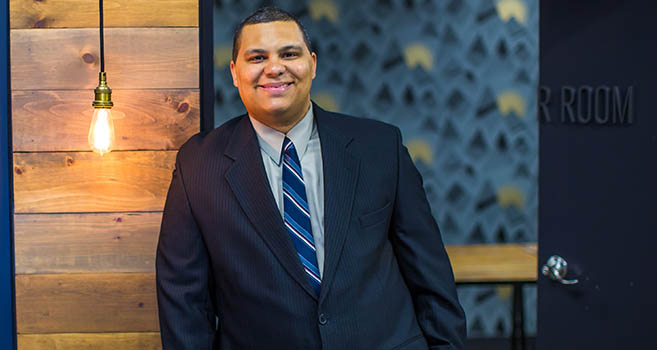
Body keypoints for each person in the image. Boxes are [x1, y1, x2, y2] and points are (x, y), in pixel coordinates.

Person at [156, 7, 466, 350]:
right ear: (234, 72)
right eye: (257, 57)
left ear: (313, 64)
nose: (274, 68)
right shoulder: (198, 165)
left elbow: (431, 275)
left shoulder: (380, 148)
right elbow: (184, 301)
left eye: (289, 54)